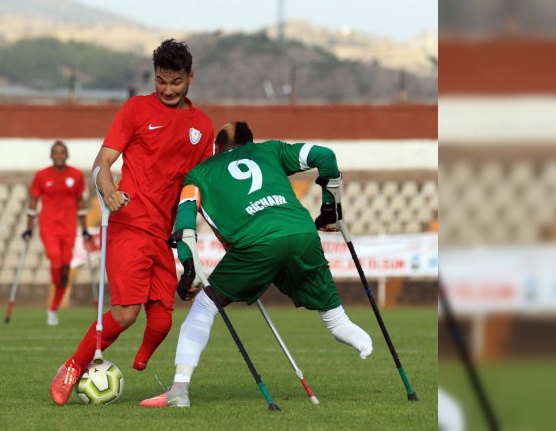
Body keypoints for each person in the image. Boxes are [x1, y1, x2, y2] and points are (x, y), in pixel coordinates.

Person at [140, 122, 373, 407]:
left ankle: (179, 391)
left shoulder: (198, 174)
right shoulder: (270, 150)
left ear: (216, 147)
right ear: (251, 142)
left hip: (257, 244)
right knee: (334, 318)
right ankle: (355, 335)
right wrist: (329, 210)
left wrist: (189, 268)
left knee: (205, 305)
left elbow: (185, 222)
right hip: (301, 234)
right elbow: (325, 155)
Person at [49, 39, 214, 405]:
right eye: (161, 81)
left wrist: (195, 238)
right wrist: (108, 192)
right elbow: (101, 164)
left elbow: (199, 186)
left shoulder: (202, 126)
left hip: (166, 234)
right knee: (125, 314)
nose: (168, 90)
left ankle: (140, 362)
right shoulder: (137, 109)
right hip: (130, 224)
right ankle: (72, 367)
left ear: (191, 77)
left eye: (176, 82)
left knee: (162, 322)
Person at [22, 141, 89, 326]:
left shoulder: (75, 175)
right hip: (49, 226)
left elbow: (81, 204)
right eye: (56, 152)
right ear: (51, 155)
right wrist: (28, 228)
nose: (59, 155)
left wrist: (83, 229)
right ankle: (54, 297)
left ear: (67, 155)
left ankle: (53, 309)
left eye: (62, 152)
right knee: (57, 261)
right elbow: (33, 202)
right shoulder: (42, 175)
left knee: (66, 269)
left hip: (68, 227)